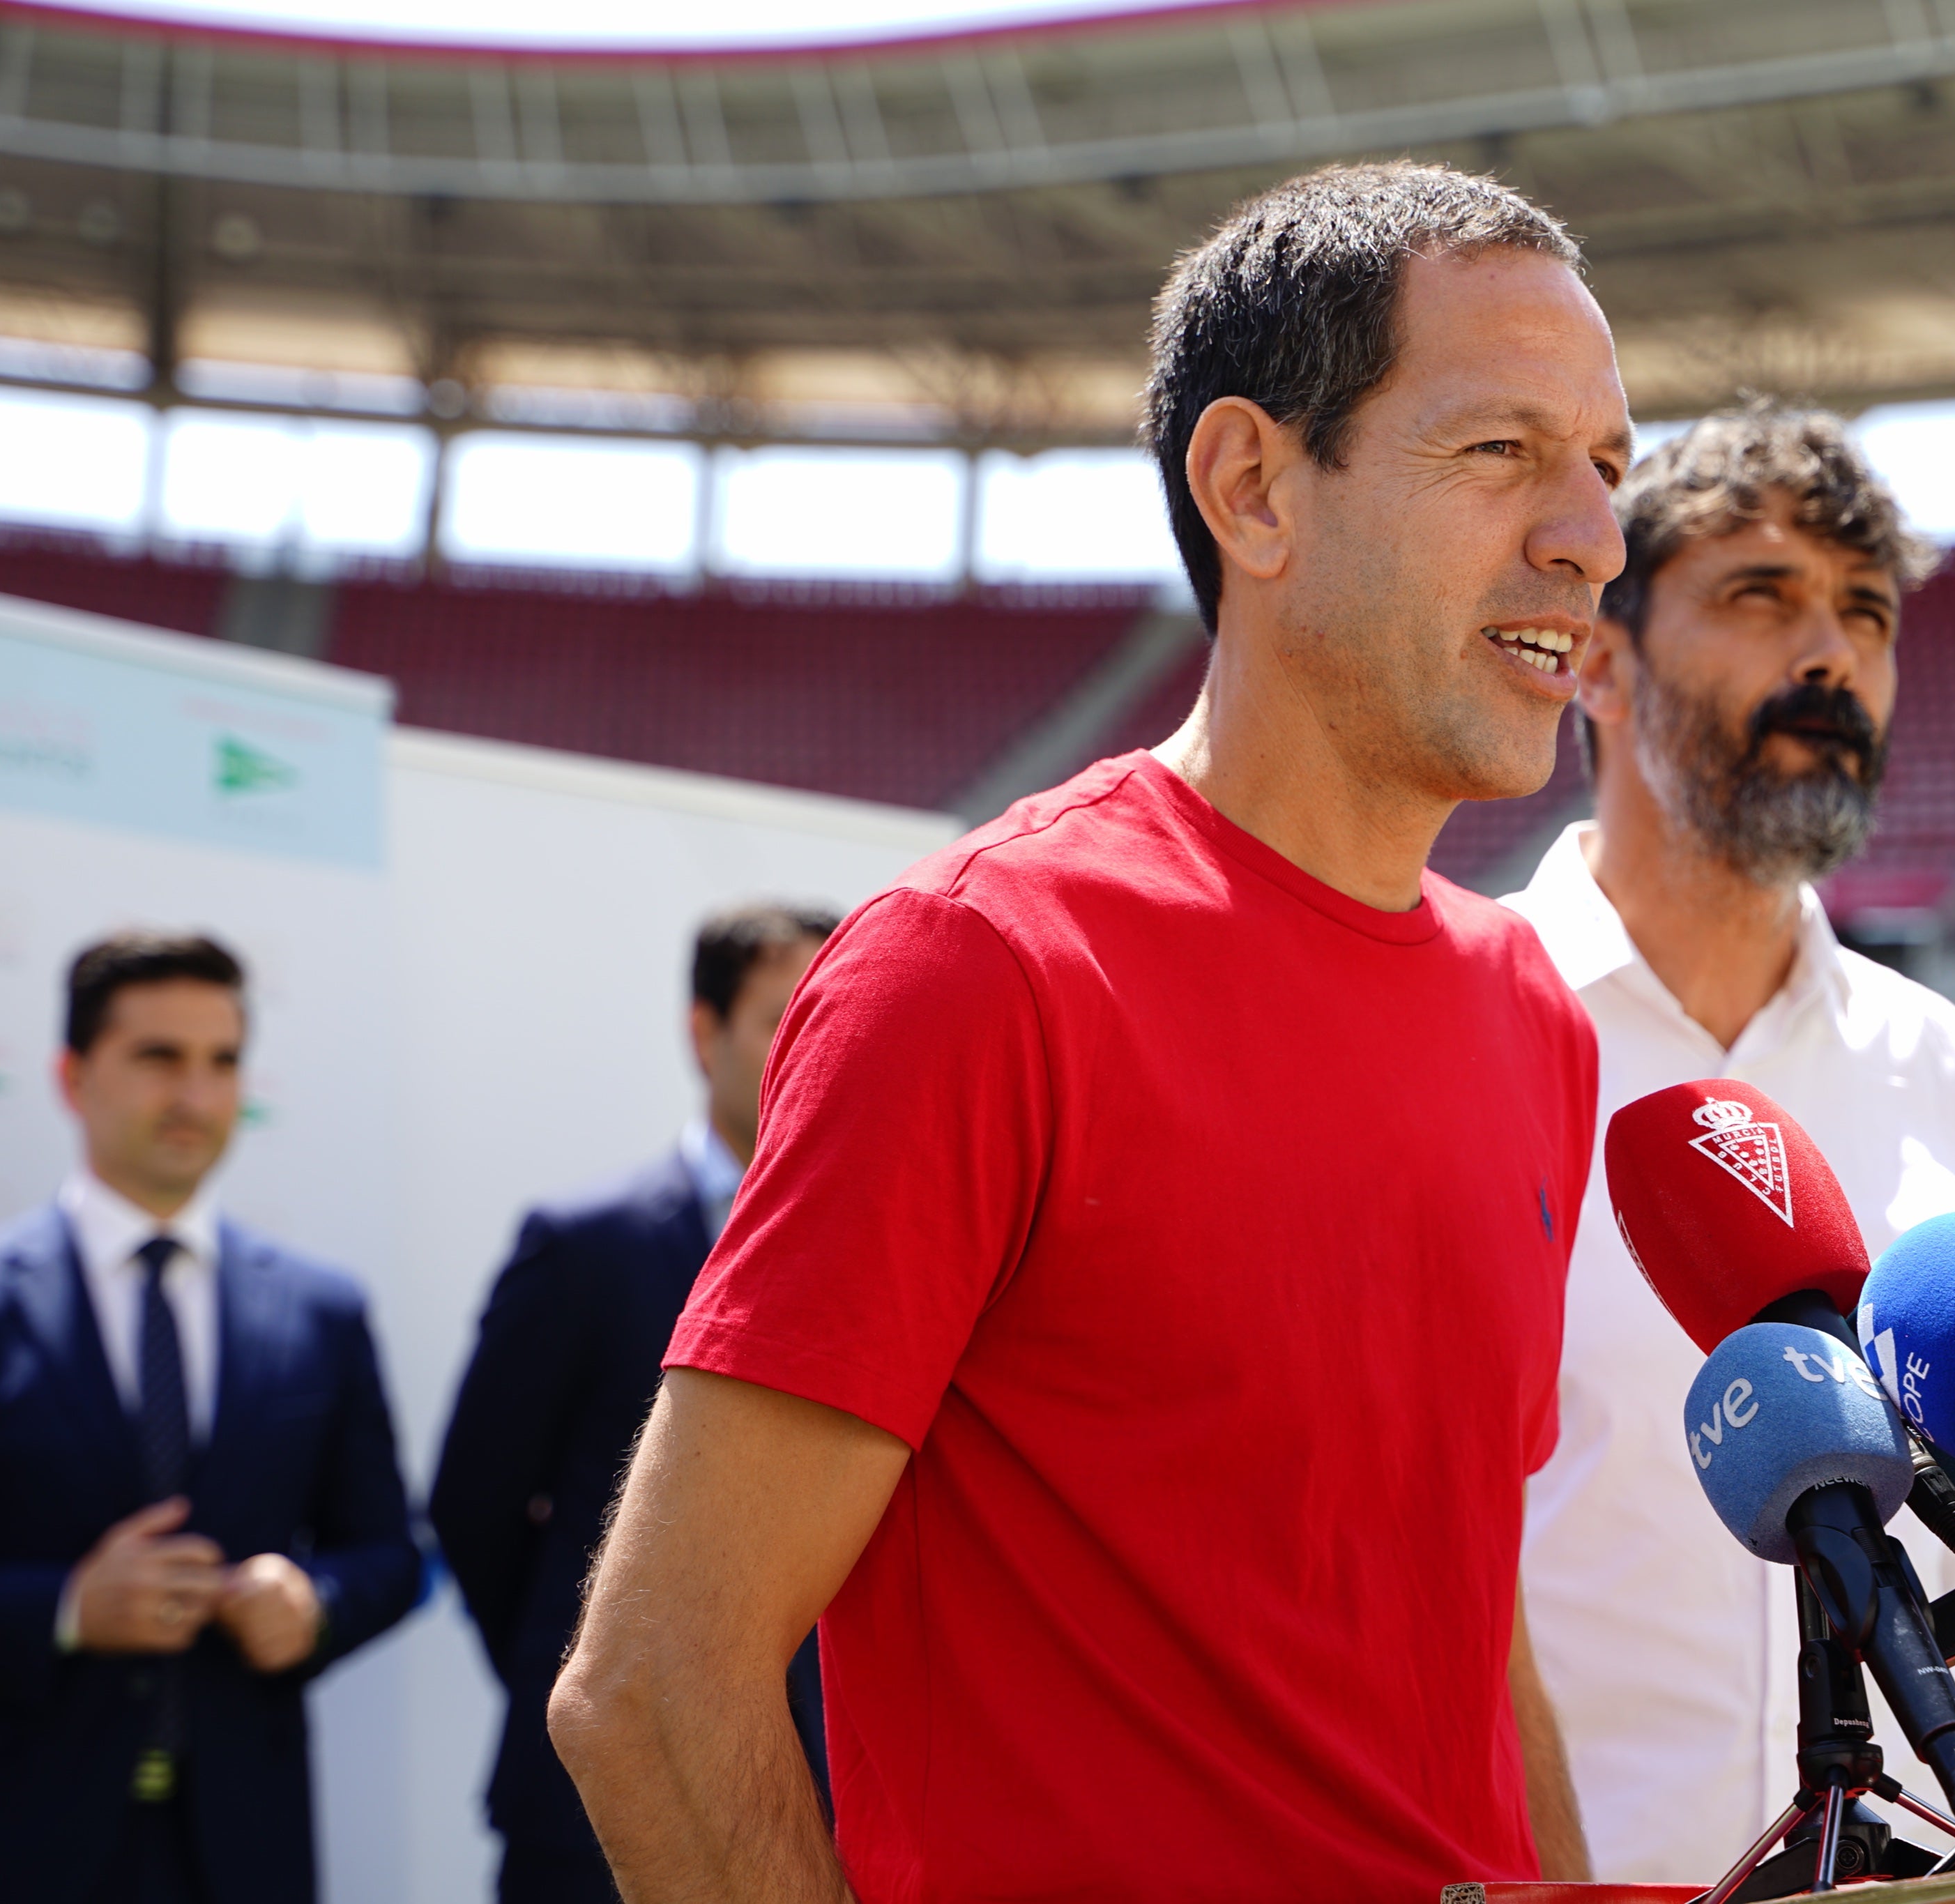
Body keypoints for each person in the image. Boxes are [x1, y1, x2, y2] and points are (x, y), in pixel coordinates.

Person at [549, 160, 1627, 1903]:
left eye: (1606, 464)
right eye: (1500, 451)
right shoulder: (976, 968)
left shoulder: (1529, 1018)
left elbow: (1470, 1625)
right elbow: (651, 1691)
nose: (1589, 536)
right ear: (1252, 486)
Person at [1500, 402, 1955, 1882]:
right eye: (1760, 596)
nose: (1829, 655)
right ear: (1595, 658)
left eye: (1864, 613)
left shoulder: (1953, 1073)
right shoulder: (1447, 1024)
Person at [0, 931, 421, 1904]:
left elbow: (390, 1550)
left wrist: (314, 1602)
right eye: (159, 1058)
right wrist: (67, 1610)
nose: (196, 1097)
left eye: (222, 1062)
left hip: (238, 1851)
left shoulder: (320, 1311)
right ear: (73, 1076)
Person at [432, 902, 841, 1904]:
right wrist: (588, 1667)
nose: (814, 1049)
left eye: (832, 1018)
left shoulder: (882, 1254)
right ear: (702, 1032)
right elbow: (474, 1508)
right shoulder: (583, 1248)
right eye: (781, 1016)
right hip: (593, 1819)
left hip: (827, 1814)